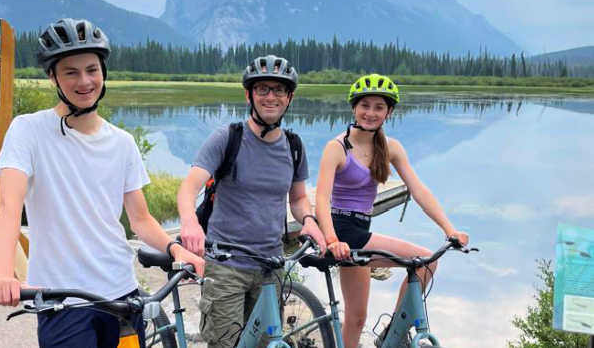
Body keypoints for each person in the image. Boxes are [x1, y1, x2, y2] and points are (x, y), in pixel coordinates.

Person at [0, 18, 204, 348]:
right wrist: (2, 272)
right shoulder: (28, 130)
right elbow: (9, 207)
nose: (84, 81)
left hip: (123, 298)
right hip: (63, 301)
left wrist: (176, 249)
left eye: (92, 69)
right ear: (53, 77)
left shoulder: (123, 143)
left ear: (103, 72)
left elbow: (140, 220)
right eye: (71, 72)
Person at [177, 54, 326, 348]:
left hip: (271, 266)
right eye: (262, 89)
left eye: (279, 90)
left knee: (265, 344)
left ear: (289, 98)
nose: (270, 96)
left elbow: (297, 198)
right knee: (226, 345)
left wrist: (308, 220)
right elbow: (187, 189)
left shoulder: (294, 147)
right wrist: (189, 223)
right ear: (249, 95)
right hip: (225, 265)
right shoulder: (227, 138)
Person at [314, 73, 469, 348]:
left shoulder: (390, 148)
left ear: (389, 112)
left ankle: (391, 330)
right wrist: (331, 240)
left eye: (379, 107)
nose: (370, 113)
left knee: (357, 317)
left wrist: (449, 229)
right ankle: (394, 334)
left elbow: (419, 190)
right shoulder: (336, 148)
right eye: (365, 105)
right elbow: (322, 200)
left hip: (360, 231)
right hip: (341, 231)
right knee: (425, 260)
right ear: (354, 107)